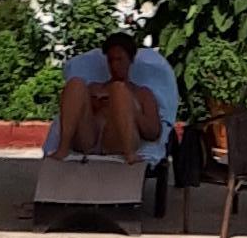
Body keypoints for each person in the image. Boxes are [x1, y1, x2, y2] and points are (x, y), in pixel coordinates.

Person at [52, 29, 179, 163]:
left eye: (119, 60)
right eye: (111, 60)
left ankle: (129, 155)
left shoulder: (142, 93)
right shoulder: (94, 88)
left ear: (130, 60)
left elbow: (153, 133)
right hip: (88, 139)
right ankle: (63, 148)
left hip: (117, 142)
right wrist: (93, 105)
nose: (114, 65)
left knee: (119, 89)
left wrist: (131, 110)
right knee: (75, 83)